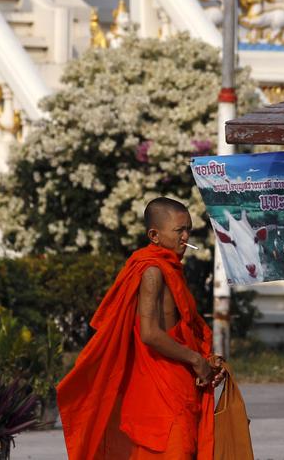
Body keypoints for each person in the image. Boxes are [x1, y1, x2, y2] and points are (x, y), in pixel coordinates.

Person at [58, 197, 222, 459]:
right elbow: (149, 333)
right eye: (179, 230)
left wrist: (204, 361)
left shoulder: (172, 268)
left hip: (178, 378)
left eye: (189, 229)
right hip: (162, 382)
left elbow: (184, 328)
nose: (186, 236)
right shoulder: (152, 271)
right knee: (174, 449)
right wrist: (194, 358)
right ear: (154, 235)